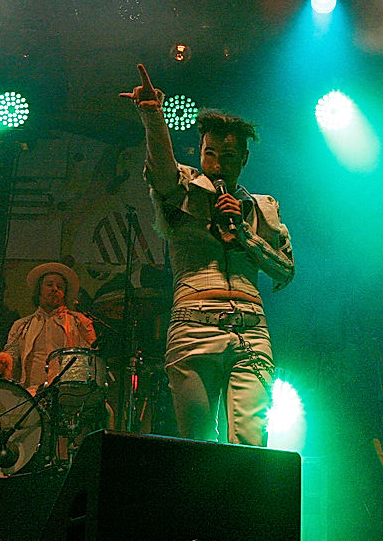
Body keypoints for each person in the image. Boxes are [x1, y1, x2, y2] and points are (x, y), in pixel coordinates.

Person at [120, 64, 293, 446]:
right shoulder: (181, 189)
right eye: (209, 153)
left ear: (244, 158)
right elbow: (159, 167)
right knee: (198, 441)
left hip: (251, 328)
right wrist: (152, 115)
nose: (217, 163)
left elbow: (285, 269)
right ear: (200, 151)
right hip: (193, 324)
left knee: (252, 440)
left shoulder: (263, 207)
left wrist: (244, 232)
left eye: (228, 156)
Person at [0, 262, 97, 394]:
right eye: (49, 285)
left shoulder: (79, 322)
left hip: (67, 394)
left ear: (65, 293)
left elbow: (91, 359)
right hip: (30, 394)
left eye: (60, 287)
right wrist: (2, 364)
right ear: (39, 290)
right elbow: (11, 355)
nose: (54, 289)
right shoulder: (22, 325)